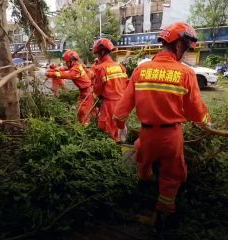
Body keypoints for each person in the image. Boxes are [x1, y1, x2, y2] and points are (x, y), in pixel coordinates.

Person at [113, 22, 211, 238]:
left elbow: (121, 109)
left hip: (146, 134)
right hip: (171, 136)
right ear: (178, 45)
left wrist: (120, 126)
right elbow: (196, 111)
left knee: (142, 160)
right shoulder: (186, 74)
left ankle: (144, 184)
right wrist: (207, 123)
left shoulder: (141, 70)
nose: (185, 53)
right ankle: (165, 214)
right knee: (172, 175)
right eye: (186, 48)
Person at [92, 38, 128, 142]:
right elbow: (125, 84)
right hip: (122, 103)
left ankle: (113, 150)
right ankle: (121, 144)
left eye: (97, 54)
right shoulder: (120, 66)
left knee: (107, 128)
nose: (97, 56)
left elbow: (98, 89)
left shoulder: (100, 68)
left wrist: (96, 97)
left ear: (102, 52)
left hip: (109, 104)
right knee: (119, 126)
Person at [45, 49, 94, 125]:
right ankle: (90, 122)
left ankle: (85, 128)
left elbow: (65, 74)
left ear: (72, 61)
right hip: (85, 91)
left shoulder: (76, 69)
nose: (65, 63)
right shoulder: (75, 66)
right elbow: (63, 69)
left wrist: (50, 74)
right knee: (84, 110)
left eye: (67, 61)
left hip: (87, 91)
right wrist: (51, 70)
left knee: (83, 111)